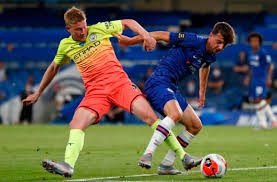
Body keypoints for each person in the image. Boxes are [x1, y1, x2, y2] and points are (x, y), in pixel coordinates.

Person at [22, 6, 197, 177]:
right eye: (78, 30)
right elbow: (54, 67)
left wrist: (145, 36)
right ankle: (67, 165)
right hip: (96, 92)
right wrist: (37, 93)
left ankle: (184, 157)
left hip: (120, 84)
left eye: (84, 27)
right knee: (77, 123)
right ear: (68, 28)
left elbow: (128, 22)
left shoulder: (98, 28)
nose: (83, 32)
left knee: (150, 117)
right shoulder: (65, 45)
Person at [116, 22, 236, 174]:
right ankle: (148, 154)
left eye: (224, 45)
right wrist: (130, 41)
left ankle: (166, 164)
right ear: (211, 35)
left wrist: (202, 93)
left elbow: (206, 66)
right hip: (158, 81)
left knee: (195, 126)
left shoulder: (210, 55)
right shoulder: (193, 40)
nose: (220, 47)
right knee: (175, 113)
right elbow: (160, 35)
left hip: (171, 87)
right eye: (219, 42)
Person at [244, 32, 277, 129]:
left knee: (259, 99)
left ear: (259, 42)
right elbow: (250, 67)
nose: (254, 43)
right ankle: (263, 123)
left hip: (261, 79)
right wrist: (247, 77)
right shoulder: (250, 54)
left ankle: (273, 119)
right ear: (249, 42)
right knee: (255, 100)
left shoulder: (263, 52)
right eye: (252, 41)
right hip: (254, 80)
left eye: (256, 41)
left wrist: (269, 78)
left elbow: (270, 66)